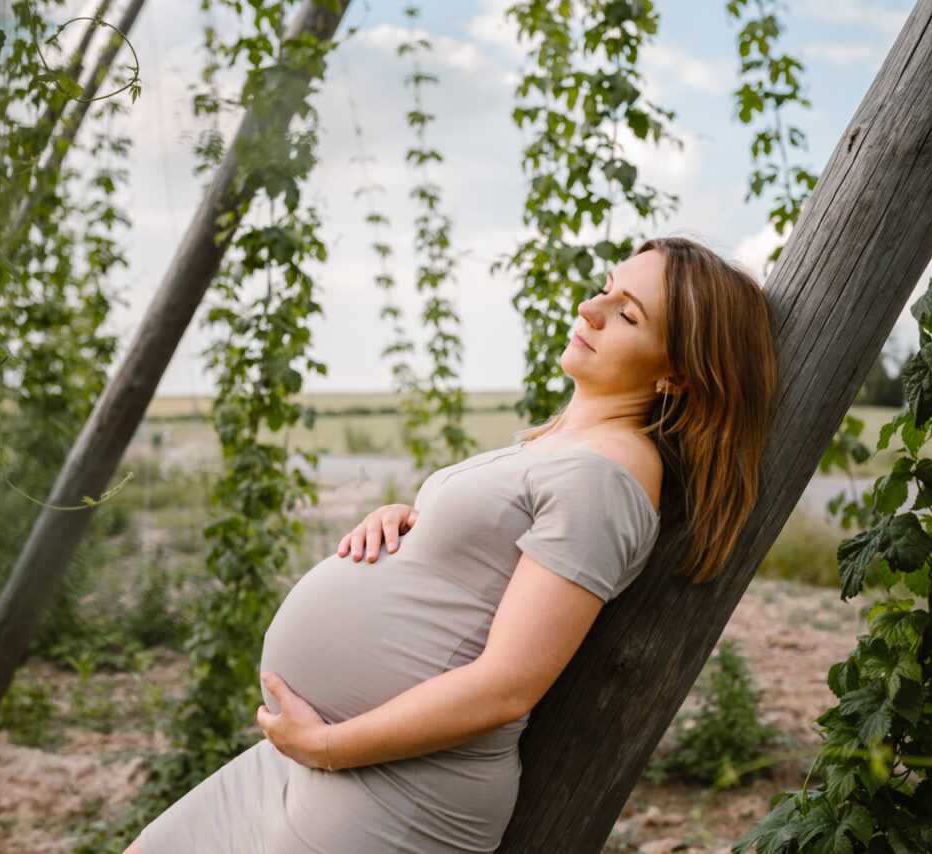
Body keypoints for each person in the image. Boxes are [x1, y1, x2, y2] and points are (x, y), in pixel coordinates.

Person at [125, 236, 776, 854]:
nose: (590, 309)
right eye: (606, 288)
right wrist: (411, 525)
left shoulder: (604, 477)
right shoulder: (568, 450)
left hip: (392, 788)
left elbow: (506, 686)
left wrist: (327, 746)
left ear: (678, 374)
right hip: (321, 757)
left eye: (626, 313)